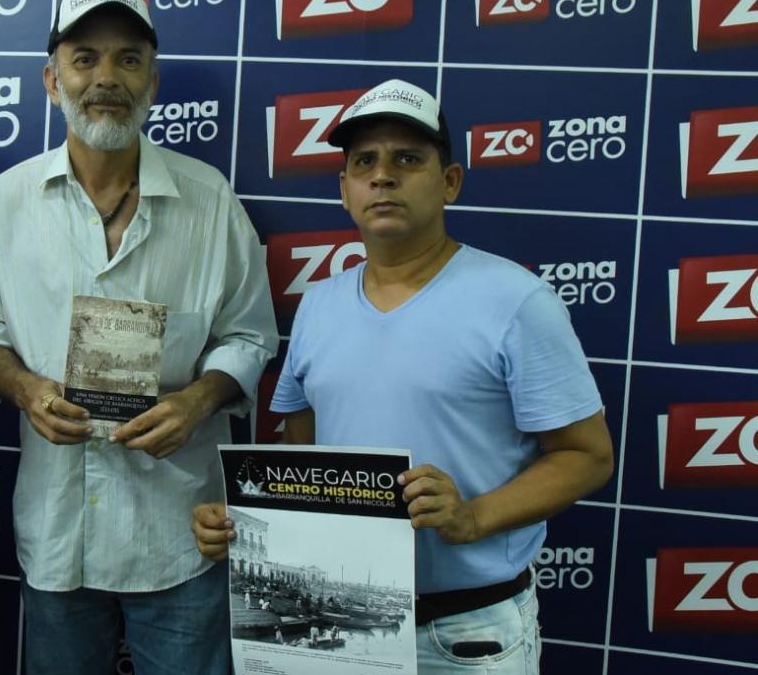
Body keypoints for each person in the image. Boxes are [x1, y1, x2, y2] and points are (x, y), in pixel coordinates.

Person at [191, 79, 614, 674]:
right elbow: (300, 459)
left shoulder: (516, 301)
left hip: (465, 636)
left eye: (408, 159)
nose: (383, 176)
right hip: (334, 634)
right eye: (364, 162)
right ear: (344, 189)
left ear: (450, 182)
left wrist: (474, 515)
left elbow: (587, 455)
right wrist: (246, 521)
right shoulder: (319, 305)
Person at [0, 0, 277, 675]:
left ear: (152, 82)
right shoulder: (7, 200)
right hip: (57, 528)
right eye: (85, 59)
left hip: (178, 529)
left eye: (128, 59)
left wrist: (196, 402)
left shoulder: (209, 199)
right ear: (52, 81)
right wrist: (27, 389)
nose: (107, 77)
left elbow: (251, 335)